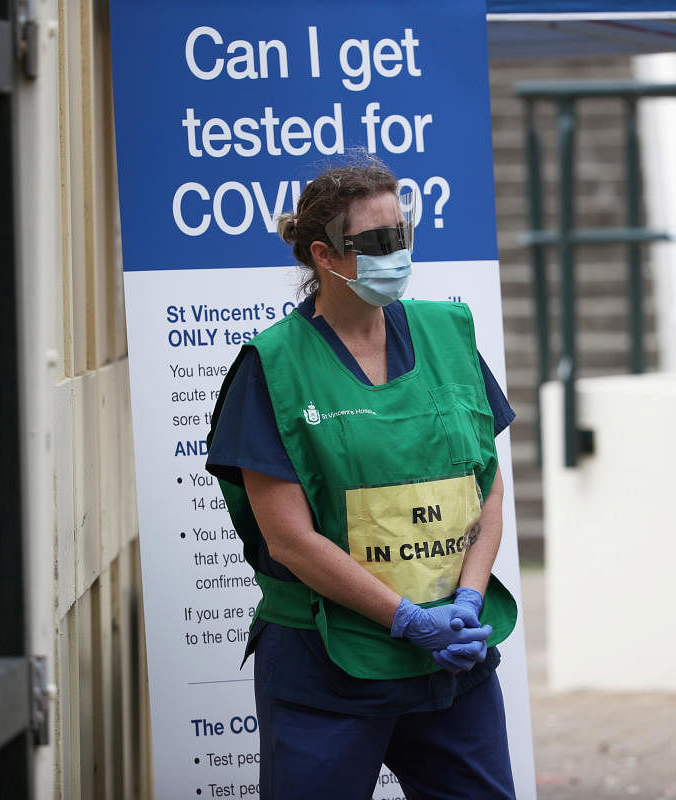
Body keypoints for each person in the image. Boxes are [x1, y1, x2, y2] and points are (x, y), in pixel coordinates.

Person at [205, 156, 518, 800]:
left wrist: (465, 599)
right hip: (328, 665)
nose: (396, 252)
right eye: (377, 242)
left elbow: (484, 483)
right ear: (325, 255)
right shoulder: (275, 366)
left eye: (403, 235)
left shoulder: (447, 333)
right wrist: (403, 617)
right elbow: (289, 540)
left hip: (449, 662)